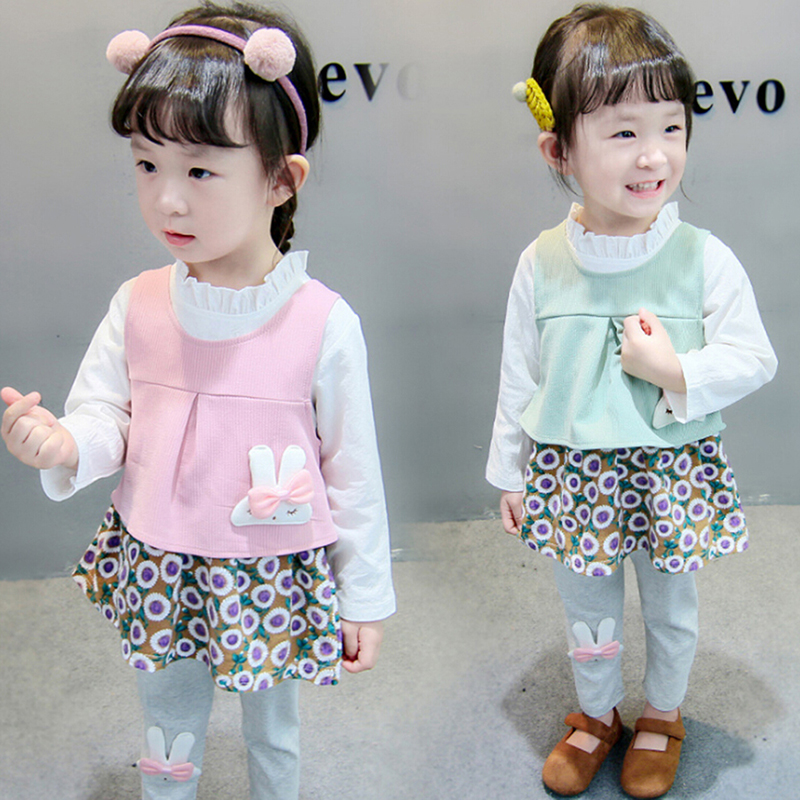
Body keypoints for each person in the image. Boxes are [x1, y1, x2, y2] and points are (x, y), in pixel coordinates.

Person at [1, 4, 395, 799]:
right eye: (148, 165)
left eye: (200, 171)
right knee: (167, 724)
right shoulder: (140, 302)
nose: (167, 200)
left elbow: (352, 472)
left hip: (269, 568)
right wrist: (66, 442)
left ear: (281, 179)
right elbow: (109, 414)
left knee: (273, 730)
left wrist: (364, 597)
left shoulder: (322, 322)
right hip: (165, 558)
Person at [486, 4, 776, 797]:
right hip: (575, 471)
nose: (654, 156)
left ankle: (663, 713)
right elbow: (520, 371)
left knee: (671, 604)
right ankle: (595, 713)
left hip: (667, 467)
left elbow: (754, 356)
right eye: (622, 132)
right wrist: (510, 471)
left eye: (671, 128)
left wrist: (674, 369)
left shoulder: (700, 257)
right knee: (587, 608)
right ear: (559, 149)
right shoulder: (543, 262)